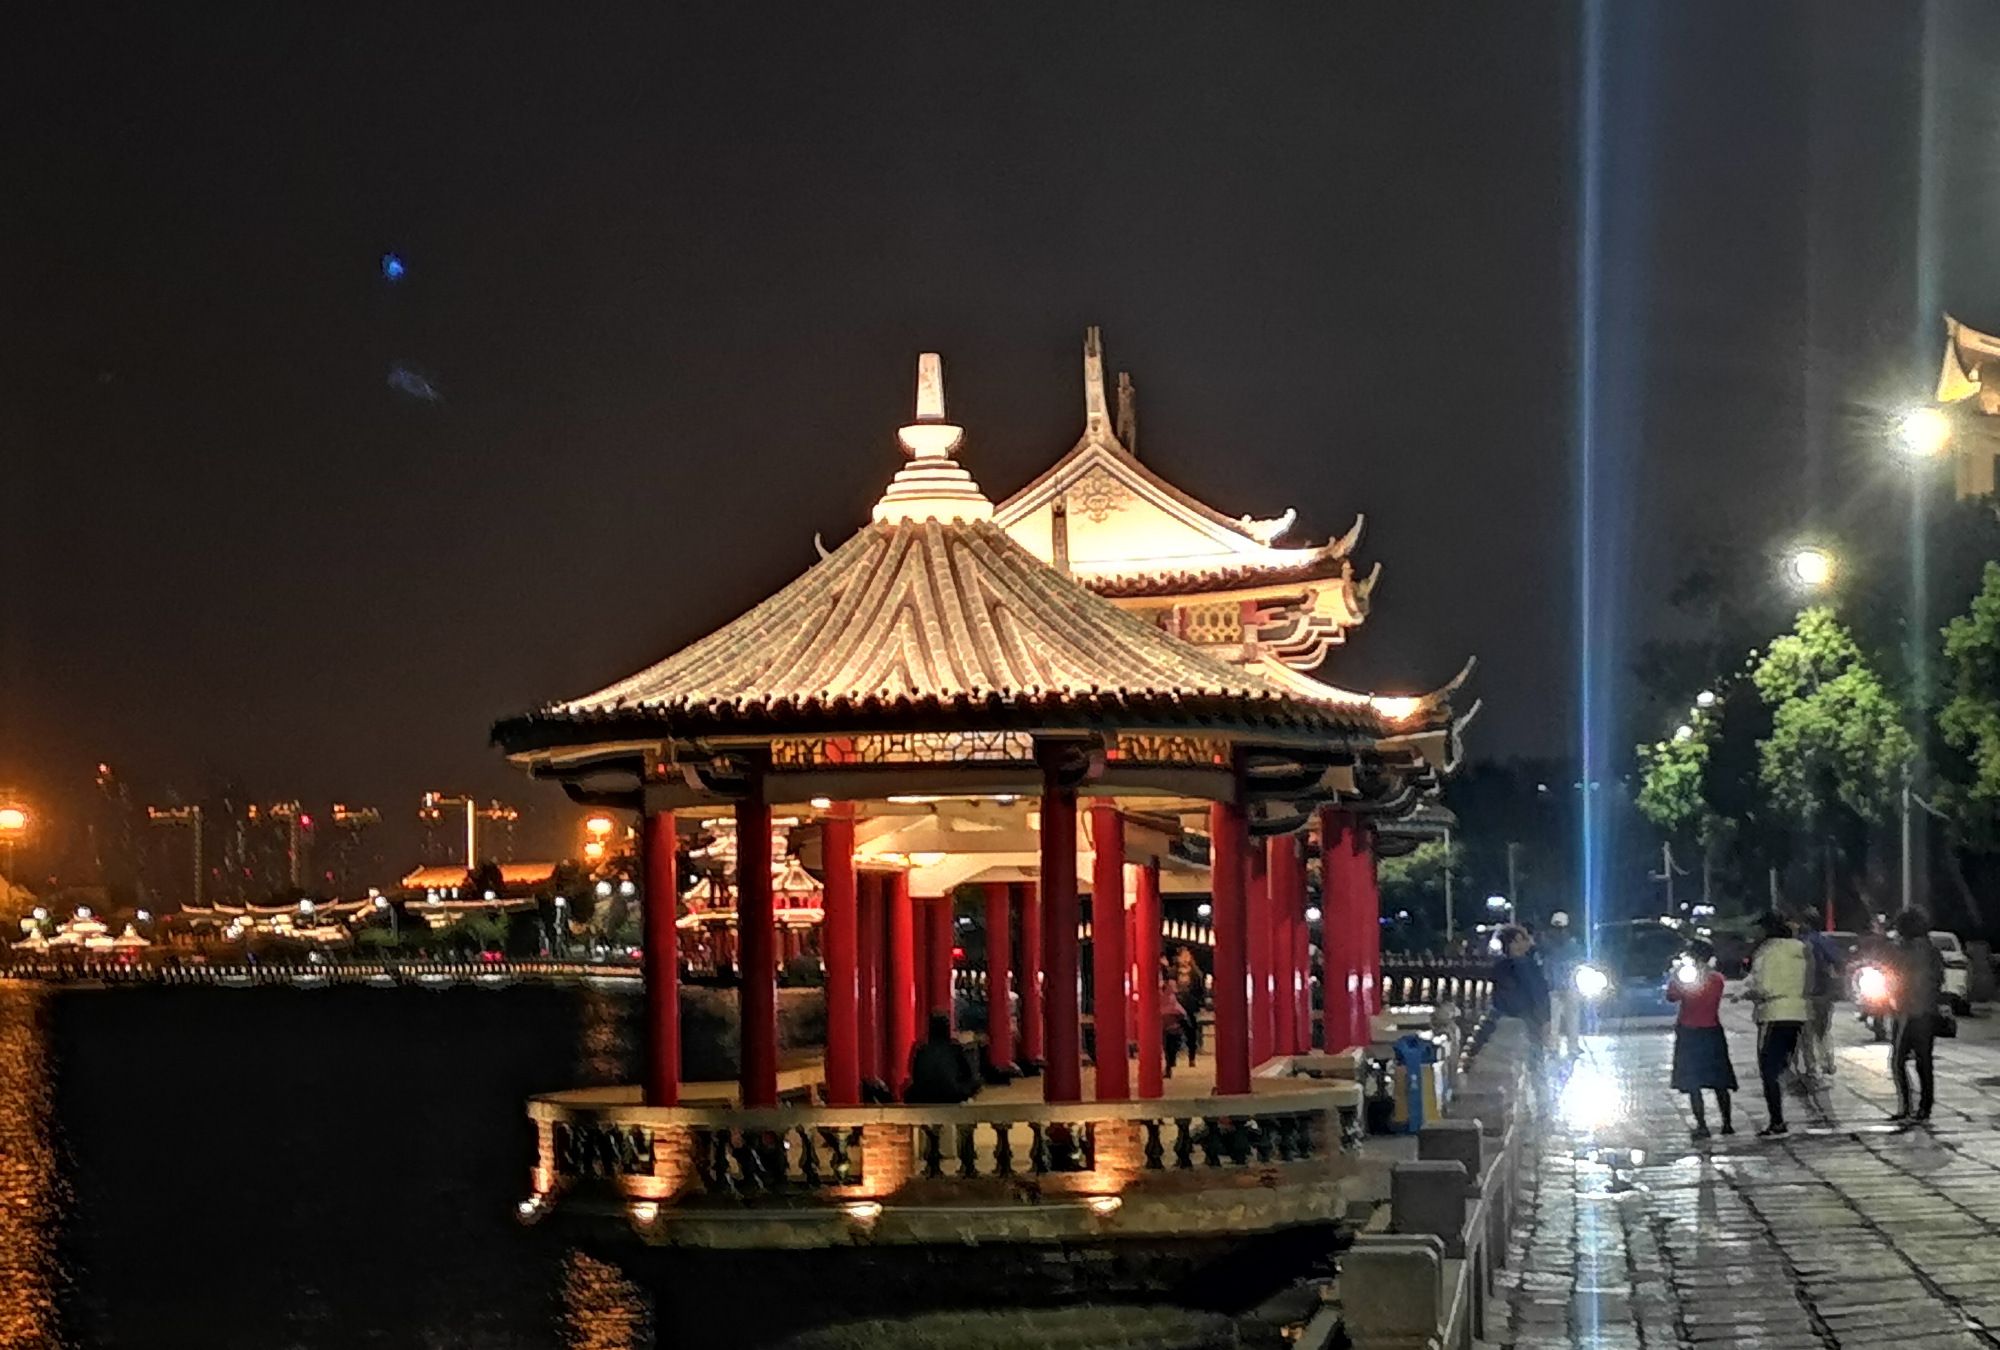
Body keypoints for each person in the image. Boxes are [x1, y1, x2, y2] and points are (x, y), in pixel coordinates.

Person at [1742, 910, 1809, 1138]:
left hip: (1773, 1013)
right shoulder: (1799, 949)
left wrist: (1747, 993)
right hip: (1798, 1012)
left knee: (1768, 1069)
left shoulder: (1766, 953)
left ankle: (1777, 1120)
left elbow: (1762, 986)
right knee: (1783, 1063)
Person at [1667, 939, 1737, 1139]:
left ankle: (1702, 1125)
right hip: (1712, 1030)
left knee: (1693, 1082)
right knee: (1719, 1081)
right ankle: (1727, 1123)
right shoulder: (1717, 979)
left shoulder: (1686, 978)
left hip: (1689, 1031)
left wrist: (1677, 977)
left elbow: (1672, 996)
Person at [1464, 925, 1551, 1070]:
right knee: (1535, 1057)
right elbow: (1538, 993)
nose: (1522, 943)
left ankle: (1468, 1063)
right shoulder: (1526, 965)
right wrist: (1544, 1019)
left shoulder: (1504, 966)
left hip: (1509, 1015)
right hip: (1525, 1017)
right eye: (1517, 940)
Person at [1889, 907, 1945, 1124]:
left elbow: (1898, 980)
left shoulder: (1904, 951)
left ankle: (1906, 1107)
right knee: (1924, 1061)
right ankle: (1925, 1106)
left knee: (1898, 1061)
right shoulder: (1931, 950)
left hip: (1907, 1011)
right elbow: (1937, 980)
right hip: (1927, 1011)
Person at [1795, 914, 1843, 1077]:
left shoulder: (1799, 943)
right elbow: (1837, 961)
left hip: (1803, 992)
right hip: (1823, 990)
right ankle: (1827, 1062)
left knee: (1805, 1032)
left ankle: (1810, 1066)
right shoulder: (1824, 941)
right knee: (1822, 1030)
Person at [905, 1011, 978, 1104]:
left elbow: (914, 1074)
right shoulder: (954, 1048)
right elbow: (966, 1073)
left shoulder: (921, 1049)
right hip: (952, 1094)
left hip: (923, 1094)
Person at [1540, 911, 1584, 1059]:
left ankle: (1571, 1046)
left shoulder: (1570, 944)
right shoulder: (1549, 944)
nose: (1559, 932)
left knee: (1570, 1017)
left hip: (1567, 986)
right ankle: (1555, 1046)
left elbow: (1578, 963)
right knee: (1555, 1018)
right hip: (1555, 986)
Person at [1173, 946, 1205, 1063]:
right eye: (1183, 956)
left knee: (1191, 1030)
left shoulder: (1196, 973)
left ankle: (1192, 1055)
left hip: (1190, 1004)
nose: (1185, 959)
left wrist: (1199, 1002)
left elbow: (1200, 989)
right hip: (1176, 1004)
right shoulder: (1173, 972)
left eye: (1187, 956)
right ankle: (1173, 1057)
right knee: (1174, 1031)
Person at [1161, 974, 1189, 1078]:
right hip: (1174, 1028)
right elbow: (1182, 1013)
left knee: (1168, 1049)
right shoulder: (1174, 1000)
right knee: (1171, 1049)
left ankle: (1169, 1066)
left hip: (1167, 1028)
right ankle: (1170, 1065)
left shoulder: (1164, 998)